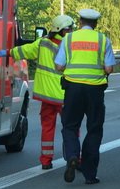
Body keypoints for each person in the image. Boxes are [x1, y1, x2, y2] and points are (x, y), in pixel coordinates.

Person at [55, 8, 115, 185]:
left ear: (79, 22)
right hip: (95, 91)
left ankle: (73, 155)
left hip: (73, 90)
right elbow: (109, 69)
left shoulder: (69, 38)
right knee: (94, 129)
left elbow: (59, 66)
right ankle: (90, 175)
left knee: (70, 126)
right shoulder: (103, 40)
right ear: (95, 24)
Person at [6, 14, 74, 170]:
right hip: (66, 97)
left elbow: (25, 50)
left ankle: (45, 160)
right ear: (63, 31)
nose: (72, 31)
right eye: (70, 29)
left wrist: (7, 52)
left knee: (47, 128)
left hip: (48, 97)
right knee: (71, 128)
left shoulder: (43, 43)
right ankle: (72, 156)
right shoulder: (71, 46)